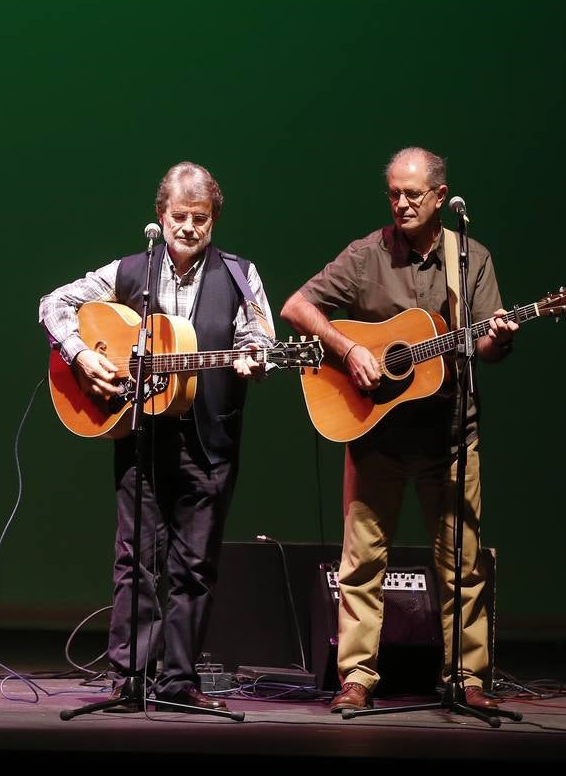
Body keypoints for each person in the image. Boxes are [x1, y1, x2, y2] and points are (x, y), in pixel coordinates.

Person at [280, 147, 517, 713]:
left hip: (450, 436)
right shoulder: (367, 255)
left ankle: (467, 677)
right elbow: (296, 306)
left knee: (463, 563)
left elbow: (485, 343)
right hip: (376, 435)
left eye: (413, 194)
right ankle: (357, 678)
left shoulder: (470, 258)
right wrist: (349, 347)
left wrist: (499, 338)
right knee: (360, 565)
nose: (402, 203)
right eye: (394, 193)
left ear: (441, 196)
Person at [39, 161, 274, 712]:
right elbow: (53, 303)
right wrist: (80, 356)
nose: (189, 228)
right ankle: (130, 676)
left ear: (214, 219)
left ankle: (178, 679)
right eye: (179, 216)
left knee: (194, 565)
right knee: (136, 558)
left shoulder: (241, 275)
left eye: (201, 218)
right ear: (160, 216)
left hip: (209, 440)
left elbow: (259, 333)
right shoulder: (129, 271)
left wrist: (256, 358)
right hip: (141, 435)